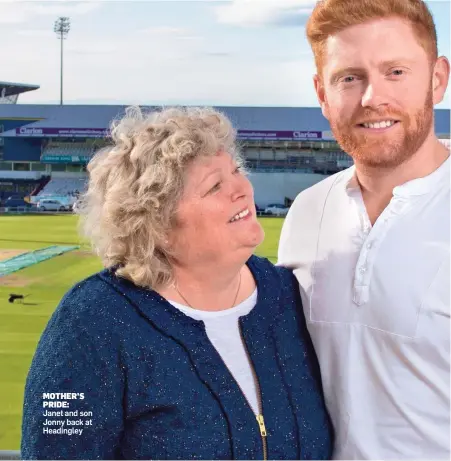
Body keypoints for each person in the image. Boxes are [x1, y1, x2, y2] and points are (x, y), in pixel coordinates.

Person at [21, 107, 333, 460]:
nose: (243, 189)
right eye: (215, 186)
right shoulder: (91, 323)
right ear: (158, 226)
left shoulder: (288, 296)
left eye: (236, 171)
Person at [278, 0, 450, 459]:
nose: (372, 97)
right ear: (321, 93)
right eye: (349, 77)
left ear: (437, 79)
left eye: (396, 71)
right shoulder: (308, 212)